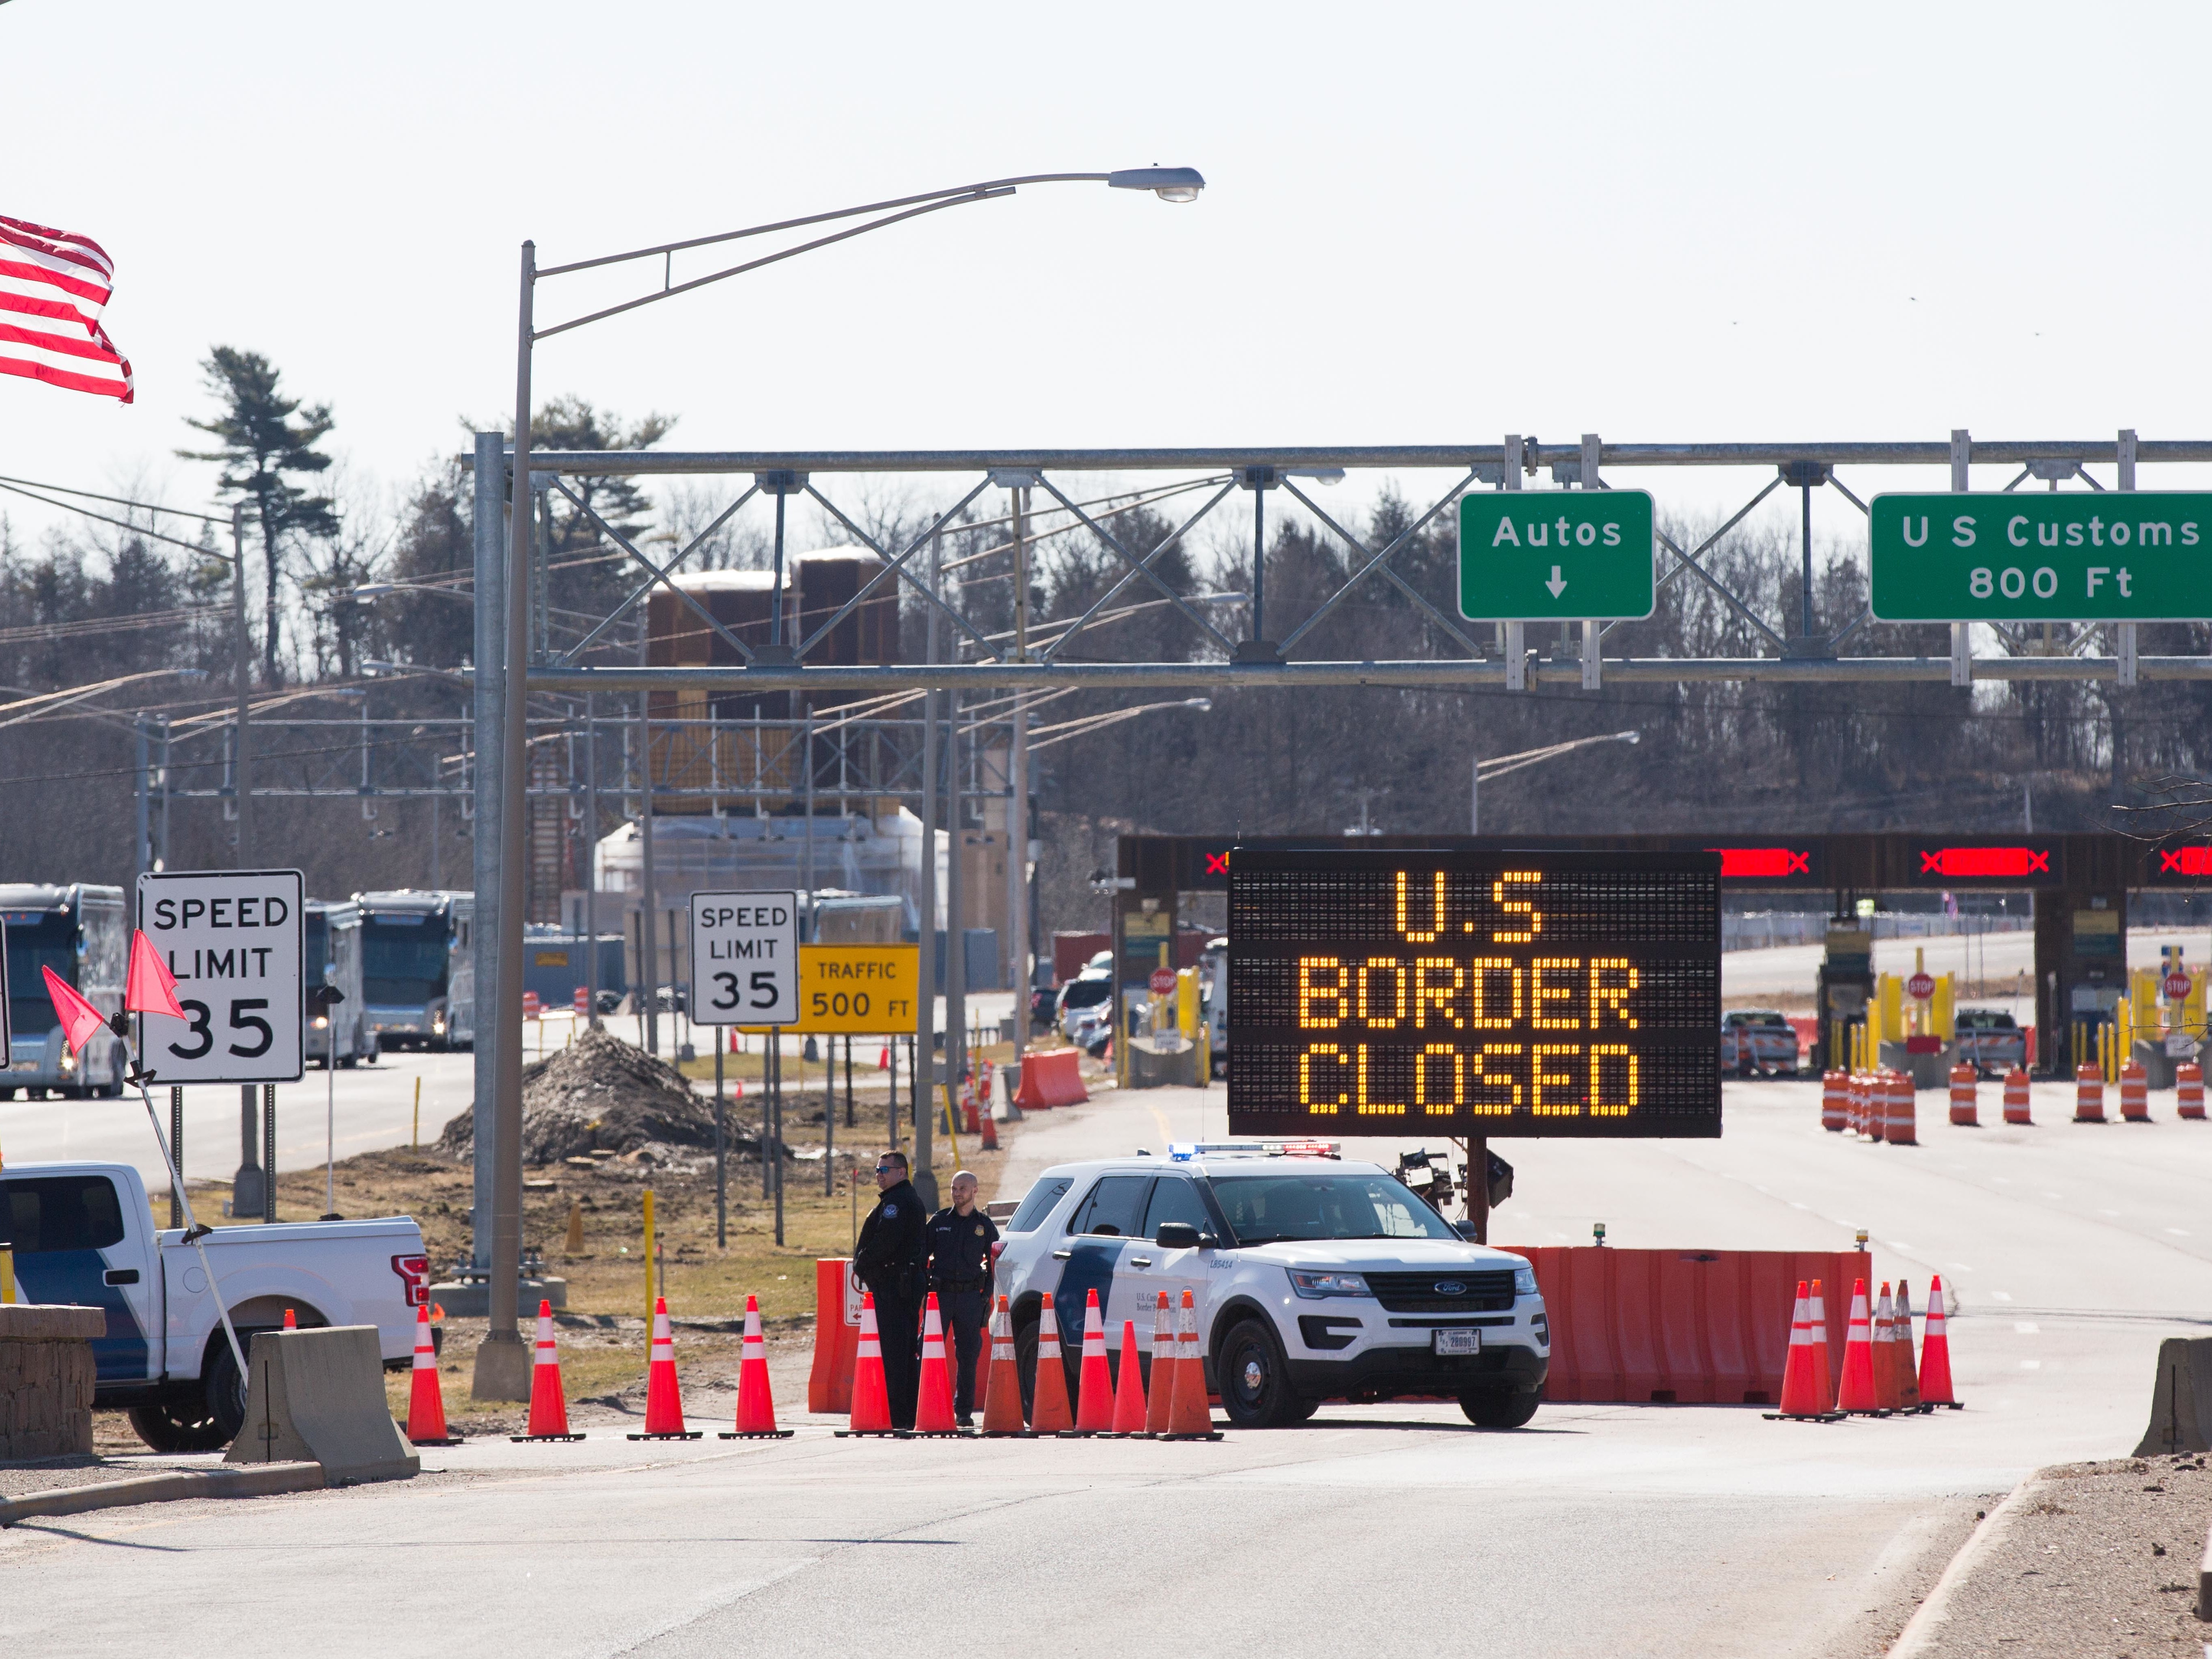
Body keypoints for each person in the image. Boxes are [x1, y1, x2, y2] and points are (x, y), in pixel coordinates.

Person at [853, 1149, 928, 1428]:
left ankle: (898, 1415)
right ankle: (903, 1413)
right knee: (901, 1351)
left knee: (895, 1353)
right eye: (877, 1170)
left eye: (885, 1170)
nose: (879, 1175)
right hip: (900, 1284)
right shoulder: (900, 1199)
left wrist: (863, 1261)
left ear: (901, 1172)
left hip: (896, 1286)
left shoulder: (897, 1202)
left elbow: (886, 1242)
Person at [926, 1170, 1000, 1426]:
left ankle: (964, 1412)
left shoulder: (985, 1226)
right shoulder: (939, 1222)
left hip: (970, 1298)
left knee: (968, 1356)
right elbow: (921, 1256)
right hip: (941, 1296)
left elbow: (994, 1265)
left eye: (962, 1189)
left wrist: (986, 1297)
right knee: (927, 1351)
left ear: (975, 1191)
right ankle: (927, 1406)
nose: (957, 1193)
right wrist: (924, 1292)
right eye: (954, 1188)